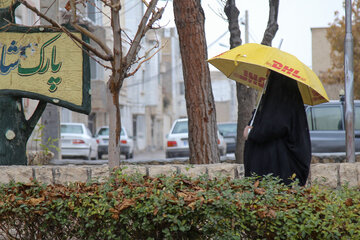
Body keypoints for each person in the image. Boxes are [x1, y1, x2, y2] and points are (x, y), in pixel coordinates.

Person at [243, 71, 311, 186]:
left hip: (279, 174)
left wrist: (251, 132)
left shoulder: (281, 103)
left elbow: (271, 127)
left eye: (269, 75)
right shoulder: (280, 102)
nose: (266, 78)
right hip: (275, 173)